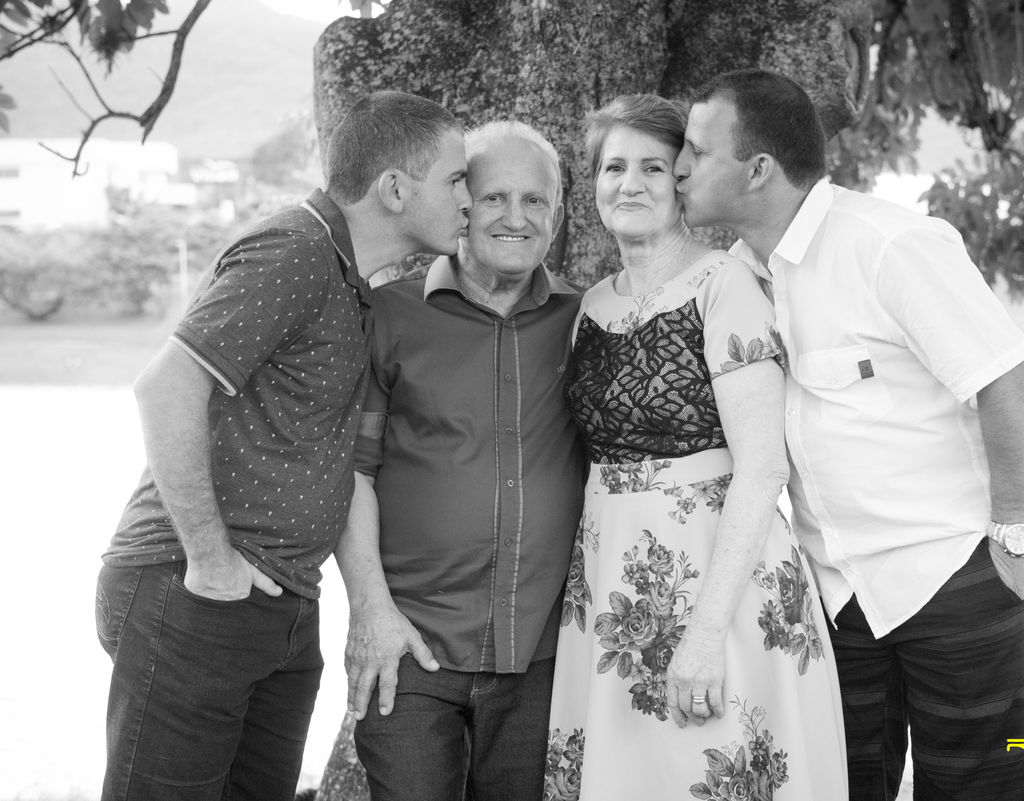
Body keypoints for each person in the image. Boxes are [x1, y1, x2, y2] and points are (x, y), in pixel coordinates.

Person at [674, 68, 1024, 800]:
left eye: (696, 149)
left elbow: (1010, 379)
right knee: (841, 787)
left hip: (950, 577)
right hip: (836, 599)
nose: (679, 166)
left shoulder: (889, 244)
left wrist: (1013, 538)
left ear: (758, 169)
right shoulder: (735, 278)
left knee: (978, 790)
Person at [94, 90, 471, 801]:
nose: (469, 200)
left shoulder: (349, 281)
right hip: (196, 589)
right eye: (456, 180)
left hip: (282, 601)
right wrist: (211, 563)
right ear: (395, 189)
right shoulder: (296, 250)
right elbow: (165, 388)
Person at [544, 94, 848, 801]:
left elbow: (763, 466)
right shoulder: (590, 307)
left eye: (653, 167)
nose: (631, 183)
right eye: (613, 167)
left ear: (681, 179)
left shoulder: (725, 284)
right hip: (612, 592)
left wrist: (706, 632)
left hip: (722, 588)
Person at [336, 120, 586, 801]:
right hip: (409, 646)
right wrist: (370, 610)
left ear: (558, 214)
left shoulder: (585, 321)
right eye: (495, 196)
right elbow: (353, 472)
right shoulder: (387, 315)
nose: (515, 217)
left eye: (534, 200)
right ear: (461, 204)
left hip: (542, 656)